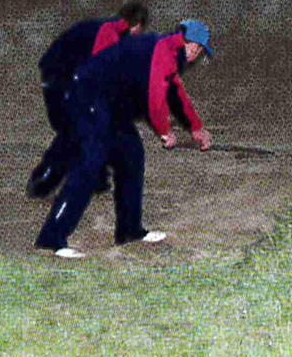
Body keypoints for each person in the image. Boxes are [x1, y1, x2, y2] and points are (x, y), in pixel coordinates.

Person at [34, 19, 214, 259]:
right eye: (200, 49)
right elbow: (156, 98)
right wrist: (164, 131)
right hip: (88, 100)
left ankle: (130, 230)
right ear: (192, 45)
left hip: (110, 106)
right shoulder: (163, 51)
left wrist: (196, 127)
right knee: (88, 168)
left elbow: (175, 91)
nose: (198, 55)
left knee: (132, 156)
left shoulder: (167, 50)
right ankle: (52, 238)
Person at [27, 0, 149, 199]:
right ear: (135, 25)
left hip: (64, 74)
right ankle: (43, 181)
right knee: (74, 131)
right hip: (60, 77)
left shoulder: (110, 30)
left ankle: (96, 178)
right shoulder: (110, 34)